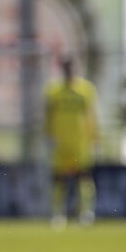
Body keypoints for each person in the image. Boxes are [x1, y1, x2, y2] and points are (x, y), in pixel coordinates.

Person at [45, 56, 99, 229]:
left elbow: (91, 116)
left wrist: (94, 138)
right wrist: (48, 136)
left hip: (80, 142)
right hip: (60, 143)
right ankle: (57, 214)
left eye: (71, 67)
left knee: (83, 179)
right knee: (58, 180)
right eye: (65, 67)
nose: (68, 71)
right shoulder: (53, 91)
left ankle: (85, 213)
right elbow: (48, 116)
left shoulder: (85, 90)